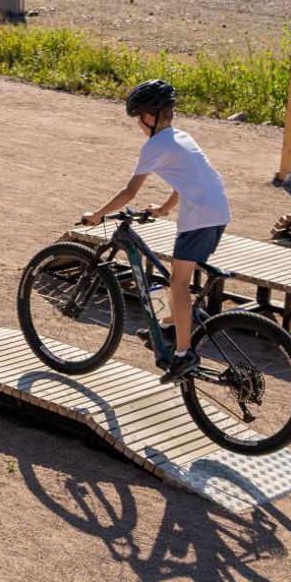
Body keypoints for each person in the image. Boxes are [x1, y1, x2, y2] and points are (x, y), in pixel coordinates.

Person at [77, 79, 230, 371]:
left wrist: (98, 214)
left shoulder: (154, 145)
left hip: (199, 217)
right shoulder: (182, 137)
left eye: (137, 118)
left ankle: (185, 354)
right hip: (217, 212)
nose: (138, 123)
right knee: (171, 281)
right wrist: (162, 209)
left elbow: (129, 192)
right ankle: (165, 326)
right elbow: (188, 181)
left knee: (179, 284)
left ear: (149, 117)